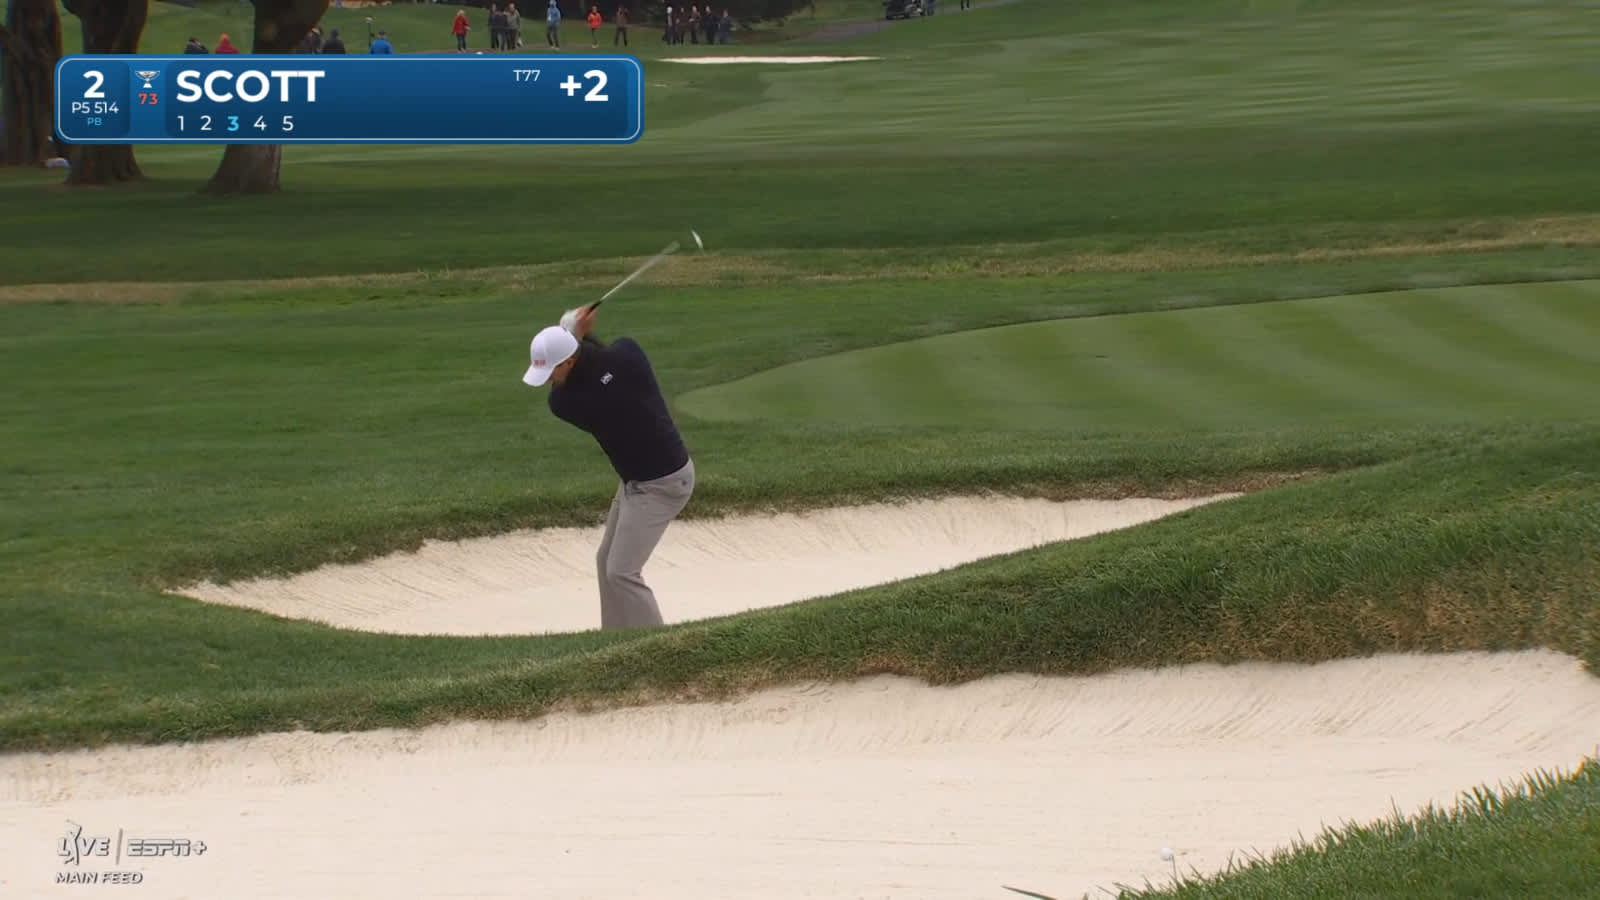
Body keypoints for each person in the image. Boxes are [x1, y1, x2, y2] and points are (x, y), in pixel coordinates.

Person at [521, 306, 696, 631]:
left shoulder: (568, 404)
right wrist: (579, 335)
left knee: (622, 572)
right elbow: (604, 362)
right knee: (605, 563)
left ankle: (661, 649)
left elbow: (578, 389)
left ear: (569, 361)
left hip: (663, 484)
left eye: (551, 373)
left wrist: (574, 333)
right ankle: (614, 640)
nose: (550, 383)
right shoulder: (629, 354)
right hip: (637, 480)